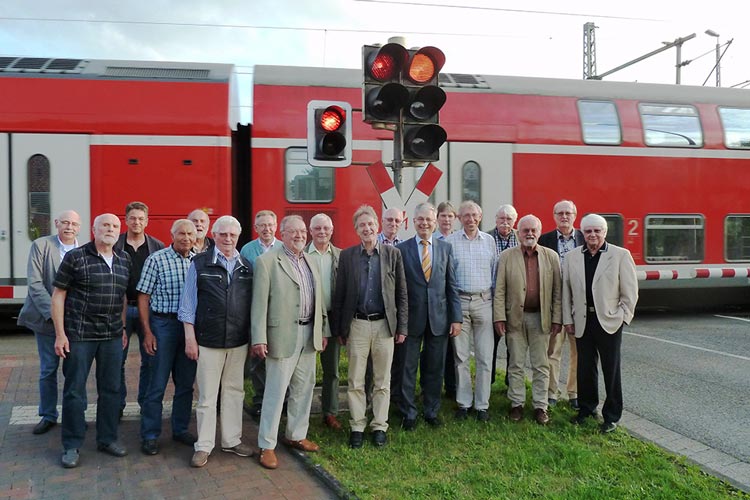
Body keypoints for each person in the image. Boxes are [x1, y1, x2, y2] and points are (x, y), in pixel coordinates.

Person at [51, 213, 131, 468]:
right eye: (105, 225)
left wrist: (123, 328)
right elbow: (58, 295)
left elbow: (122, 298)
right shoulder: (75, 257)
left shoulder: (123, 259)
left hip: (111, 336)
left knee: (111, 390)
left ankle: (107, 439)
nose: (110, 229)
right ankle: (72, 445)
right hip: (80, 335)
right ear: (94, 230)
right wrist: (61, 334)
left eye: (115, 226)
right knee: (75, 391)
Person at [252, 215, 330, 470]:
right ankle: (267, 445)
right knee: (275, 392)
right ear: (282, 234)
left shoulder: (309, 260)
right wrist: (259, 338)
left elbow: (318, 299)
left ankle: (296, 435)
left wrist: (323, 330)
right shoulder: (267, 262)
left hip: (309, 335)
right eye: (293, 232)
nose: (299, 235)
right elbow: (259, 305)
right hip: (281, 336)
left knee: (303, 389)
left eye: (301, 232)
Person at [179, 215, 255, 467]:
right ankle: (204, 445)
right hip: (208, 341)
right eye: (223, 234)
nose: (228, 238)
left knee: (235, 392)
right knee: (207, 397)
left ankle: (232, 440)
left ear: (238, 236)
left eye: (232, 234)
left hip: (238, 341)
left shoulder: (246, 265)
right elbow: (188, 305)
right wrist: (190, 338)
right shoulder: (199, 263)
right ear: (214, 235)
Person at [331, 205, 407, 448]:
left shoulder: (392, 254)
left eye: (370, 224)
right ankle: (357, 425)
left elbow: (402, 294)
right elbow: (339, 294)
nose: (367, 228)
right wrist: (340, 329)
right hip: (357, 325)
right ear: (356, 229)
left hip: (384, 325)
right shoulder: (347, 256)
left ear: (377, 226)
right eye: (362, 225)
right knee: (355, 379)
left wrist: (402, 327)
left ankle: (379, 426)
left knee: (382, 380)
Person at [563, 213, 638, 433]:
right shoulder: (572, 257)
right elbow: (566, 292)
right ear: (582, 233)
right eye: (588, 231)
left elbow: (630, 291)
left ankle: (612, 416)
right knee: (585, 368)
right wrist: (568, 319)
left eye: (597, 230)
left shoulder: (620, 255)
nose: (593, 235)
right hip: (582, 321)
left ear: (604, 232)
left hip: (609, 321)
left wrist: (623, 316)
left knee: (611, 369)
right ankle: (586, 409)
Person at [395, 203, 461, 430]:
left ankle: (432, 410)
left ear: (435, 223)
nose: (424, 223)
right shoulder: (402, 250)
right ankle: (408, 413)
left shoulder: (445, 249)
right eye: (420, 219)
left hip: (439, 319)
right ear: (413, 222)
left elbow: (451, 285)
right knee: (407, 368)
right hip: (411, 321)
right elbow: (398, 290)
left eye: (429, 220)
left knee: (435, 368)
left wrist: (456, 318)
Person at [137, 219, 198, 456]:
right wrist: (147, 332)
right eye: (181, 233)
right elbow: (143, 296)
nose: (185, 238)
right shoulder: (156, 259)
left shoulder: (199, 260)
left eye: (190, 234)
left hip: (190, 328)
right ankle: (150, 435)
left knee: (185, 384)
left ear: (196, 236)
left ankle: (180, 429)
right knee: (157, 384)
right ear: (172, 235)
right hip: (164, 325)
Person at [493, 215, 561, 425]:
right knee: (516, 364)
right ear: (518, 232)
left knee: (541, 365)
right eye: (525, 230)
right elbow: (500, 289)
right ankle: (517, 404)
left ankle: (541, 406)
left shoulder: (551, 257)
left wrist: (557, 318)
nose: (529, 234)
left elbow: (557, 292)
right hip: (515, 319)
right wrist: (499, 317)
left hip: (541, 319)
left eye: (533, 230)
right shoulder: (506, 256)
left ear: (539, 232)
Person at [18, 210, 81, 435]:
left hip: (76, 323)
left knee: (75, 371)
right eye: (65, 222)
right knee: (48, 369)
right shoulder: (41, 245)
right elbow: (35, 284)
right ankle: (48, 415)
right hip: (46, 321)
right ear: (56, 223)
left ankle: (74, 414)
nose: (69, 227)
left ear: (79, 227)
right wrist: (55, 316)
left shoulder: (83, 251)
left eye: (74, 223)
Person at [446, 201, 497, 421]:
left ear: (480, 216)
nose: (470, 219)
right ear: (459, 218)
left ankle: (482, 405)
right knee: (461, 357)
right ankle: (464, 403)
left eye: (474, 215)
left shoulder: (489, 241)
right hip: (459, 303)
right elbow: (448, 277)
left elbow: (495, 273)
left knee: (486, 356)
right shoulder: (450, 242)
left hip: (484, 301)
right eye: (466, 215)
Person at [115, 201, 165, 417]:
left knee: (150, 360)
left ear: (147, 221)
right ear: (126, 221)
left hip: (149, 311)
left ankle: (145, 404)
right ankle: (117, 406)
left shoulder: (157, 246)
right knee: (117, 360)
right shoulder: (115, 245)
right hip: (119, 311)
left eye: (141, 219)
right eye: (133, 218)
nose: (137, 222)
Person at [538, 200, 585, 409]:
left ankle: (574, 392)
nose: (564, 216)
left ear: (575, 215)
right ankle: (551, 393)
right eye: (560, 213)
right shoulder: (544, 240)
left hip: (578, 304)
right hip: (555, 303)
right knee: (553, 351)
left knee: (578, 352)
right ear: (554, 216)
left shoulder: (586, 238)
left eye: (568, 213)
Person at [239, 209, 281, 417]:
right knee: (257, 359)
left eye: (270, 225)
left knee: (279, 356)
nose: (266, 229)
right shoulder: (247, 250)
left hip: (279, 311)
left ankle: (282, 400)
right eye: (262, 225)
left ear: (276, 226)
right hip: (256, 309)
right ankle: (260, 399)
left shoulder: (284, 248)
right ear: (256, 228)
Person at [305, 214, 342, 431]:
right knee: (305, 371)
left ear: (332, 229)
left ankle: (330, 412)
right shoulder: (302, 255)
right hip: (307, 319)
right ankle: (301, 412)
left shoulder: (340, 256)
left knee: (332, 370)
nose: (322, 232)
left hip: (332, 319)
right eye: (317, 228)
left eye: (326, 228)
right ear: (310, 231)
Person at [489, 204, 519, 387]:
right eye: (502, 218)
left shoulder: (520, 238)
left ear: (514, 220)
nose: (505, 222)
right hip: (492, 301)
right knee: (490, 345)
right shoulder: (486, 238)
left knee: (514, 346)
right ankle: (489, 381)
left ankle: (511, 382)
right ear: (496, 219)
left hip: (515, 302)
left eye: (509, 219)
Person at [434, 201, 458, 399]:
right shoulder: (432, 240)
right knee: (436, 348)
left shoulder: (458, 240)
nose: (447, 220)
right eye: (443, 216)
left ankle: (452, 386)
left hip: (454, 297)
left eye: (450, 216)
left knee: (454, 347)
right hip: (436, 301)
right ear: (437, 219)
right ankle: (434, 384)